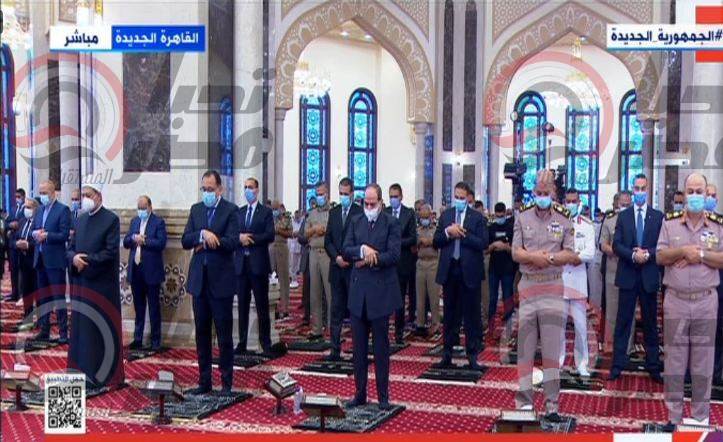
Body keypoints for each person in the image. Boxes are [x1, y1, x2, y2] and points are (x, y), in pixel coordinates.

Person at [657, 173, 723, 426]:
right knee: (674, 362)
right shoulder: (670, 223)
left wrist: (701, 255)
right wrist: (683, 251)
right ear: (684, 194)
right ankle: (673, 417)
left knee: (703, 363)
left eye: (699, 191)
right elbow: (660, 256)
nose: (695, 196)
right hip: (676, 301)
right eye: (691, 191)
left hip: (706, 301)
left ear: (707, 194)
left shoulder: (717, 225)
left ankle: (699, 417)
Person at [511, 170, 576, 420]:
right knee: (525, 349)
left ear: (553, 193)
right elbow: (516, 252)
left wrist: (547, 258)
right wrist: (533, 257)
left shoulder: (564, 218)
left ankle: (552, 404)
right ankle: (524, 402)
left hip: (552, 285)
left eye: (545, 193)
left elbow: (569, 253)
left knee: (550, 349)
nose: (541, 196)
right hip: (528, 285)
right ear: (533, 192)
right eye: (537, 192)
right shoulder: (522, 216)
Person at [342, 183, 401, 410]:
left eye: (372, 204)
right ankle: (360, 394)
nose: (368, 207)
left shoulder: (391, 223)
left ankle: (383, 396)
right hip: (358, 294)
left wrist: (369, 259)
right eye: (365, 203)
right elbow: (346, 249)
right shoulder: (355, 221)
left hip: (381, 294)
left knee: (380, 349)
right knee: (358, 350)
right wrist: (362, 250)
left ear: (381, 203)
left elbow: (393, 254)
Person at [182, 170, 239, 394]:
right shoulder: (196, 210)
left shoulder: (230, 210)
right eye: (204, 189)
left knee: (224, 335)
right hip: (199, 282)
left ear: (219, 190)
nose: (206, 192)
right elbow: (186, 240)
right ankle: (204, 381)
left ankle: (226, 383)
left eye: (210, 189)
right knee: (202, 333)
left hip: (221, 281)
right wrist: (202, 234)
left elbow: (231, 242)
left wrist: (207, 242)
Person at [67, 182, 124, 388]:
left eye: (88, 195)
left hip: (101, 286)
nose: (84, 199)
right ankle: (81, 373)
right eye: (82, 195)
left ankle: (101, 376)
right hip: (81, 285)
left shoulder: (111, 220)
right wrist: (73, 258)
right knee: (82, 332)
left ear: (98, 196)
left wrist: (86, 261)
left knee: (98, 332)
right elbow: (70, 248)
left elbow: (110, 252)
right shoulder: (80, 220)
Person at [609, 174, 664, 383]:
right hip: (628, 275)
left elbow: (662, 245)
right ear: (633, 191)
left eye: (643, 188)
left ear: (647, 190)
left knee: (650, 324)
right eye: (636, 188)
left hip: (648, 276)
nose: (639, 192)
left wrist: (647, 254)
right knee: (623, 322)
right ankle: (617, 365)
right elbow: (617, 244)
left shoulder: (657, 217)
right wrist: (633, 255)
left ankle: (653, 366)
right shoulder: (623, 217)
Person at [433, 182, 488, 370]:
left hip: (470, 272)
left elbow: (483, 243)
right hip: (450, 271)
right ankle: (447, 354)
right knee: (449, 316)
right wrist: (449, 232)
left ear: (469, 199)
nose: (458, 200)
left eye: (462, 198)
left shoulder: (478, 218)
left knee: (471, 316)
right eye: (456, 197)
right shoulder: (446, 215)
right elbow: (436, 241)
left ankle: (472, 356)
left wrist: (462, 234)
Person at [323, 177, 362, 360]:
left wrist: (349, 257)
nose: (343, 196)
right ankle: (335, 349)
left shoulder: (359, 212)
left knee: (355, 312)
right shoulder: (334, 212)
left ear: (352, 193)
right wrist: (336, 258)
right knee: (336, 311)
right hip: (337, 268)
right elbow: (328, 241)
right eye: (341, 193)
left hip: (353, 269)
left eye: (346, 193)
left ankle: (357, 349)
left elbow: (361, 240)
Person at [235, 177, 274, 355]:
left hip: (258, 265)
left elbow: (270, 235)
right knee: (242, 305)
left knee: (262, 305)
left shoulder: (265, 212)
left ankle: (265, 342)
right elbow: (233, 235)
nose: (247, 190)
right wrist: (239, 238)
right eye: (245, 187)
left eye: (250, 187)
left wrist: (251, 239)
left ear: (257, 190)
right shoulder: (240, 212)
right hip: (241, 266)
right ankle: (242, 342)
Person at [559, 188, 596, 376]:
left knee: (581, 326)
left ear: (579, 202)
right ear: (563, 202)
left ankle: (582, 363)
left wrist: (574, 257)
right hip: (559, 281)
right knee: (558, 326)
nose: (571, 204)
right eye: (568, 201)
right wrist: (566, 257)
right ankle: (558, 362)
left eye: (574, 201)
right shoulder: (556, 223)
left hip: (578, 282)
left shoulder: (587, 225)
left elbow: (591, 252)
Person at [122, 195, 167, 351]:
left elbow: (161, 243)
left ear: (150, 207)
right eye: (139, 208)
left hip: (151, 271)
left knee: (154, 307)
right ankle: (138, 338)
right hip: (136, 271)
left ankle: (155, 341)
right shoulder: (135, 221)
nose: (141, 210)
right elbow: (126, 242)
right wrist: (133, 238)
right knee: (139, 307)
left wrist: (145, 241)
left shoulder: (158, 222)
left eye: (143, 208)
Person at [32, 180, 71, 343]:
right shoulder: (39, 210)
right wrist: (36, 234)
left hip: (55, 261)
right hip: (40, 259)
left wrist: (47, 235)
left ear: (53, 193)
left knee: (58, 297)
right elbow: (34, 230)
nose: (42, 196)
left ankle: (63, 333)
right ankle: (44, 330)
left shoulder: (62, 210)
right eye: (40, 193)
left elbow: (64, 235)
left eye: (45, 193)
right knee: (43, 297)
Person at [600, 191, 633, 354]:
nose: (625, 207)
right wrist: (618, 251)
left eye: (628, 204)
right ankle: (611, 344)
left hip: (631, 270)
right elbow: (603, 244)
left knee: (629, 311)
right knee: (612, 311)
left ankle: (627, 347)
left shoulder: (635, 220)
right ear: (616, 204)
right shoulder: (610, 220)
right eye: (622, 204)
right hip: (613, 269)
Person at [384, 183, 417, 344]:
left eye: (395, 196)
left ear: (401, 197)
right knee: (384, 299)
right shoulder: (385, 212)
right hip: (386, 263)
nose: (393, 199)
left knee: (400, 300)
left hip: (403, 262)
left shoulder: (408, 213)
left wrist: (396, 243)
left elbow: (413, 238)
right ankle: (382, 331)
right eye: (391, 196)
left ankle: (398, 332)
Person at [305, 182, 332, 340]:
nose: (320, 196)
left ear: (327, 194)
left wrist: (324, 230)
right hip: (313, 253)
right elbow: (305, 233)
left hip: (327, 254)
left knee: (330, 293)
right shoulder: (312, 213)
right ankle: (316, 328)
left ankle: (332, 328)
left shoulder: (333, 212)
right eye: (318, 194)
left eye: (322, 194)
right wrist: (314, 230)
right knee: (314, 292)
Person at [487, 202, 515, 338]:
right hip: (493, 269)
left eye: (501, 216)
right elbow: (485, 250)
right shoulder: (491, 228)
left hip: (508, 269)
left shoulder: (511, 228)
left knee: (507, 298)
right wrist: (493, 245)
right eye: (497, 216)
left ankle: (508, 329)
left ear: (505, 213)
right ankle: (490, 328)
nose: (499, 218)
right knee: (492, 299)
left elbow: (516, 250)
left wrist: (505, 247)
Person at [414, 204, 441, 336]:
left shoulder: (436, 230)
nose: (424, 219)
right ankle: (420, 324)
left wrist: (429, 241)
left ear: (431, 216)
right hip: (420, 264)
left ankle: (436, 323)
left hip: (433, 264)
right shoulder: (417, 230)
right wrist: (420, 242)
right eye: (422, 217)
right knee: (420, 297)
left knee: (433, 296)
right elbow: (414, 246)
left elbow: (438, 242)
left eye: (426, 217)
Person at [14, 198, 38, 320]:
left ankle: (41, 320)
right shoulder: (22, 221)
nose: (26, 210)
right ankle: (27, 317)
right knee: (26, 290)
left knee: (37, 291)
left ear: (35, 209)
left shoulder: (39, 222)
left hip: (34, 261)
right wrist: (17, 244)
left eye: (29, 207)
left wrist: (28, 245)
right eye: (25, 207)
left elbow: (40, 241)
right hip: (23, 261)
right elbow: (15, 238)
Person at [271, 200, 293, 319]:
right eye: (273, 208)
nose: (275, 211)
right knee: (270, 279)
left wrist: (279, 231)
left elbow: (290, 233)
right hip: (270, 247)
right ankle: (272, 307)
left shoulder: (286, 217)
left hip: (281, 247)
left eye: (276, 208)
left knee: (283, 279)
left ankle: (285, 308)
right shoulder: (267, 217)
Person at [6, 188, 26, 301]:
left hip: (22, 242)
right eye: (16, 197)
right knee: (13, 269)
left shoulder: (26, 210)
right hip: (12, 244)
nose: (17, 199)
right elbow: (6, 222)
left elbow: (26, 224)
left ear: (23, 197)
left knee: (22, 270)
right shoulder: (13, 209)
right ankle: (14, 293)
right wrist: (10, 225)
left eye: (19, 197)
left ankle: (22, 294)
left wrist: (17, 225)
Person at [289, 210, 303, 289]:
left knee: (301, 264)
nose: (298, 216)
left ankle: (300, 281)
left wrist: (299, 233)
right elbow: (290, 233)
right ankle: (293, 280)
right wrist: (294, 233)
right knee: (293, 265)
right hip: (293, 245)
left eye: (299, 215)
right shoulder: (291, 222)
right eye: (296, 215)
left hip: (301, 245)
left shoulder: (302, 222)